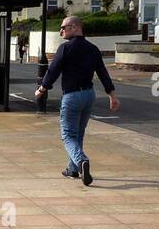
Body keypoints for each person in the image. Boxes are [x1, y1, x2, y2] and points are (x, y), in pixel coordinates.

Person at [35, 16, 119, 185]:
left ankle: (81, 161)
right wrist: (112, 95)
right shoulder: (93, 49)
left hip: (72, 96)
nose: (61, 31)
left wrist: (42, 89)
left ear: (74, 27)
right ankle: (73, 169)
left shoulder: (65, 48)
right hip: (88, 95)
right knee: (78, 134)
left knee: (67, 136)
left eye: (63, 27)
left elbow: (53, 71)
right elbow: (102, 72)